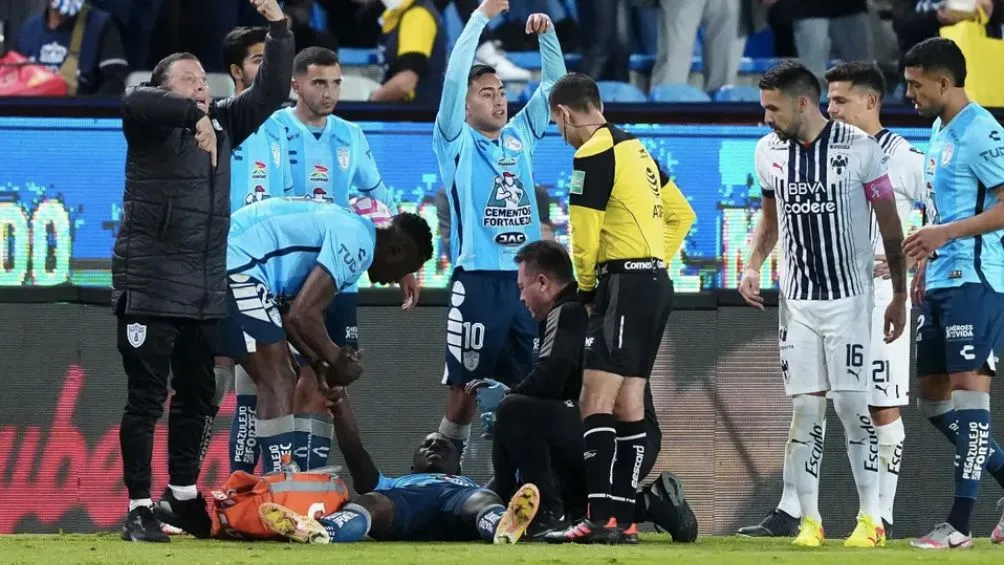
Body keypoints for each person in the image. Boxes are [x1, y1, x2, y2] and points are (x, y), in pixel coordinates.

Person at [115, 0, 293, 544]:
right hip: (149, 286)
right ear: (166, 86)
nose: (199, 85)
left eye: (202, 79)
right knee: (146, 398)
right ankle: (139, 506)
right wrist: (193, 116)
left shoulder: (226, 120)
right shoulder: (147, 122)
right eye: (186, 79)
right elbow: (136, 97)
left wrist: (280, 29)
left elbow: (268, 91)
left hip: (204, 292)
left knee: (197, 396)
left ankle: (184, 496)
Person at [736, 60, 926, 540]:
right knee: (805, 409)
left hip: (849, 299)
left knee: (850, 406)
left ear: (803, 103)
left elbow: (889, 224)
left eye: (772, 108)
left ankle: (869, 520)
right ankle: (811, 522)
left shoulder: (862, 151)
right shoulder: (768, 153)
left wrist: (900, 295)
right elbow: (771, 218)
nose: (766, 118)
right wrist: (754, 264)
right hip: (796, 302)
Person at [544, 73, 696, 544]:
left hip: (622, 286)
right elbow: (682, 214)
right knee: (629, 400)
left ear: (567, 114)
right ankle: (623, 519)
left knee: (595, 399)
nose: (561, 134)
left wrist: (588, 288)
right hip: (653, 286)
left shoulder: (591, 153)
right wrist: (653, 261)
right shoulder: (639, 151)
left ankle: (599, 518)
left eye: (557, 125)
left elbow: (582, 235)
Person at [476, 240, 698, 544]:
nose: (520, 297)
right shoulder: (590, 308)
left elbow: (550, 378)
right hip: (638, 440)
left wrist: (504, 400)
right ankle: (654, 505)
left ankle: (546, 516)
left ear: (542, 283)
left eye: (521, 286)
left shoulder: (567, 310)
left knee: (515, 410)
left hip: (612, 439)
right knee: (580, 505)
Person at [265, 46, 420, 473]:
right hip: (287, 273)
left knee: (325, 374)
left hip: (338, 276)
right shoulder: (273, 129)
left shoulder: (351, 135)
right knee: (277, 374)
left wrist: (405, 264)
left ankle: (307, 475)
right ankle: (279, 475)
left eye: (336, 83)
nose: (330, 92)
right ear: (296, 84)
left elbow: (380, 200)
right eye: (319, 83)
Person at [432, 0, 567, 465]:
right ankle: (447, 471)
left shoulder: (519, 137)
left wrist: (547, 36)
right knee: (464, 390)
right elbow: (452, 76)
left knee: (525, 390)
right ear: (465, 105)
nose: (498, 98)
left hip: (524, 284)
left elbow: (554, 88)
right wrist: (480, 16)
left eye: (500, 91)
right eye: (486, 92)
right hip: (478, 282)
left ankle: (514, 481)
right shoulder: (454, 141)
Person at [216, 198, 434, 476]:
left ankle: (278, 477)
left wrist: (319, 362)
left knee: (285, 370)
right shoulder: (360, 244)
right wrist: (338, 360)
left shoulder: (353, 229)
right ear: (397, 250)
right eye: (406, 268)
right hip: (238, 264)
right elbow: (302, 315)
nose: (397, 279)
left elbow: (287, 317)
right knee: (278, 376)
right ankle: (282, 480)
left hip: (230, 259)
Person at [900, 37, 1004, 549]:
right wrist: (925, 256)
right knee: (934, 405)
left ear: (944, 82)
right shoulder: (940, 129)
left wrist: (946, 236)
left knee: (969, 398)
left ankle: (960, 525)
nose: (909, 94)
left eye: (916, 85)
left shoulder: (982, 132)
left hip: (978, 280)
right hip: (941, 278)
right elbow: (942, 212)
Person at [257, 386, 542, 544]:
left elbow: (507, 470)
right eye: (427, 445)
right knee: (371, 501)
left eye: (442, 446)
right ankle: (323, 531)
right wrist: (341, 408)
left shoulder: (469, 488)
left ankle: (502, 529)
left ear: (457, 468)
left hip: (459, 506)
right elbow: (355, 453)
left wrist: (509, 419)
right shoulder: (394, 485)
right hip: (404, 510)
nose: (434, 447)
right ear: (413, 467)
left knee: (486, 499)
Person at [218, 25, 296, 476]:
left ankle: (263, 488)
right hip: (224, 270)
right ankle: (192, 488)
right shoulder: (223, 123)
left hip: (270, 276)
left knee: (261, 381)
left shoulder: (285, 129)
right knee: (218, 378)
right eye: (258, 61)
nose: (270, 71)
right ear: (235, 72)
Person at [16, 0, 128, 95]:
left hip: (79, 116)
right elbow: (12, 80)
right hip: (32, 116)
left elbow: (115, 84)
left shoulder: (101, 25)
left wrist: (86, 113)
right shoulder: (28, 28)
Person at [370, 0, 447, 104]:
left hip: (416, 116)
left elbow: (405, 82)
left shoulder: (417, 16)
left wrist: (371, 100)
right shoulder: (397, 15)